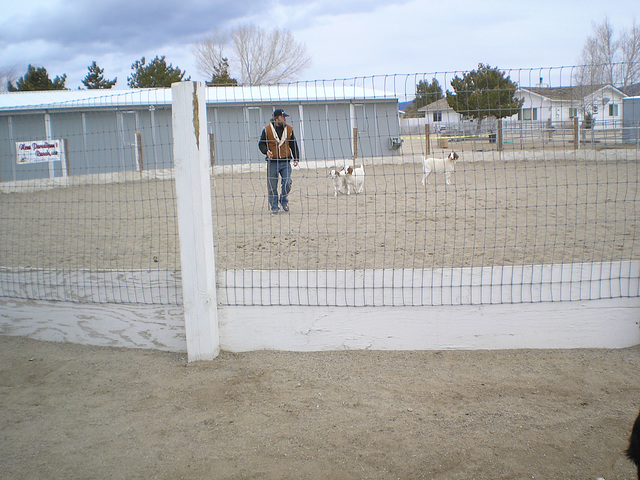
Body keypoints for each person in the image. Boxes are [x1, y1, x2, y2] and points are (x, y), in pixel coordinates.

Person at [258, 108, 300, 214]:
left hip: (285, 161)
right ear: (277, 118)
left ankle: (283, 199)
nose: (285, 119)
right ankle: (274, 207)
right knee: (272, 185)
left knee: (287, 182)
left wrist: (296, 158)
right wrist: (266, 151)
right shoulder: (267, 129)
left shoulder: (289, 129)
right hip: (272, 162)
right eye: (283, 117)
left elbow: (293, 143)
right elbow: (261, 144)